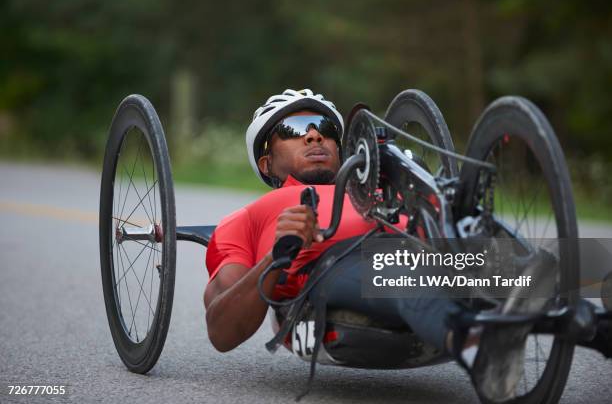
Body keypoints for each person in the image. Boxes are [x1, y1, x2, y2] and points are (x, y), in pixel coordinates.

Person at [203, 88, 551, 402]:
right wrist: (275, 256)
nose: (314, 135)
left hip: (431, 251)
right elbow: (221, 330)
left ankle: (597, 324)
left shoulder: (383, 189)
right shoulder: (247, 217)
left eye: (324, 127)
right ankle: (477, 347)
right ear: (266, 163)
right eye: (295, 130)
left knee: (549, 269)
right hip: (334, 268)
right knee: (398, 263)